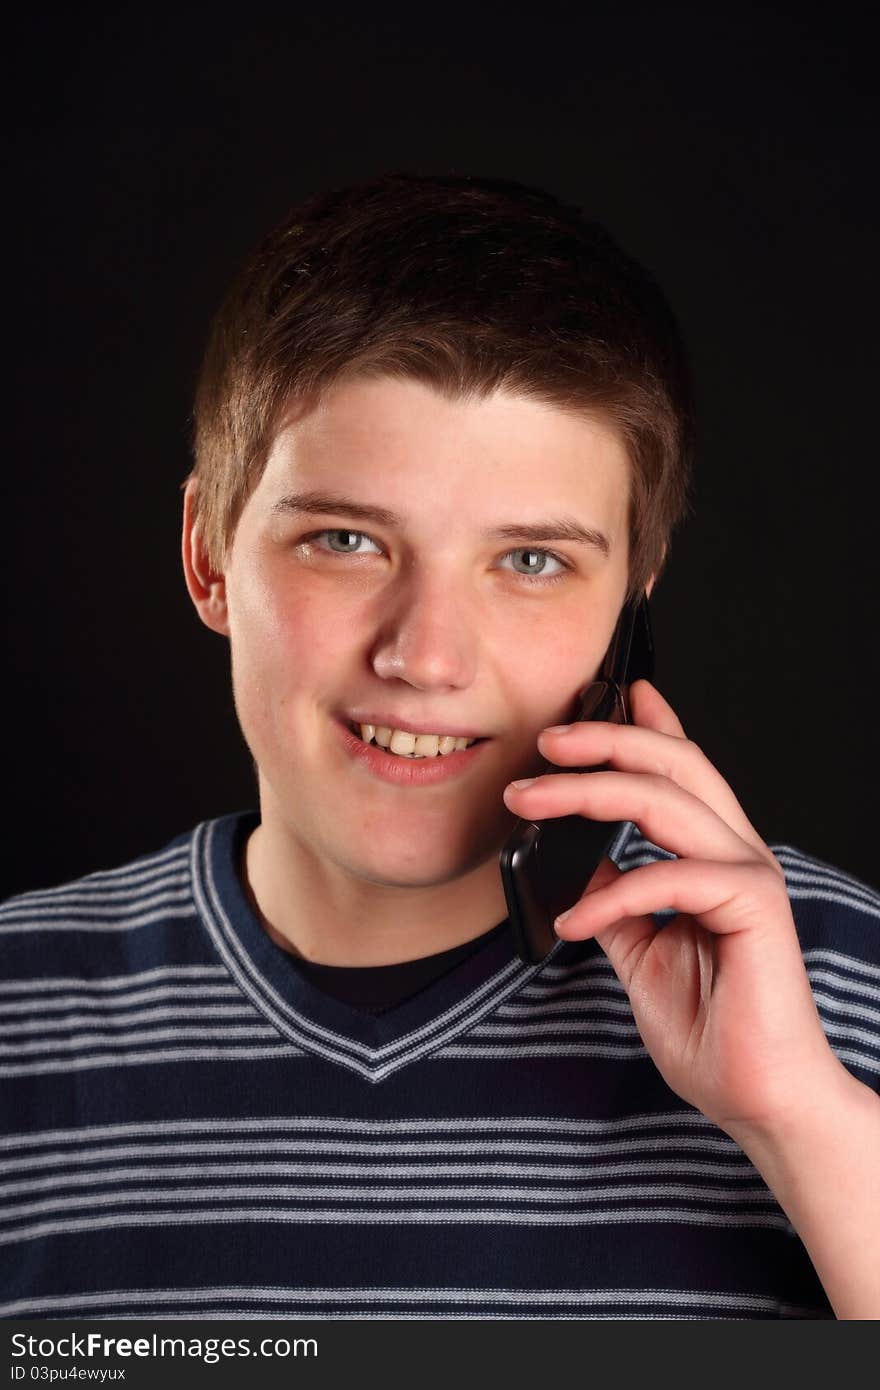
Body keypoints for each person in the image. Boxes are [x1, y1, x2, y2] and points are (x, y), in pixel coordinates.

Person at [1, 173, 878, 1322]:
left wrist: (800, 1116)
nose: (425, 655)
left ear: (631, 599)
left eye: (530, 561)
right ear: (209, 554)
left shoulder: (843, 985)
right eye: (346, 539)